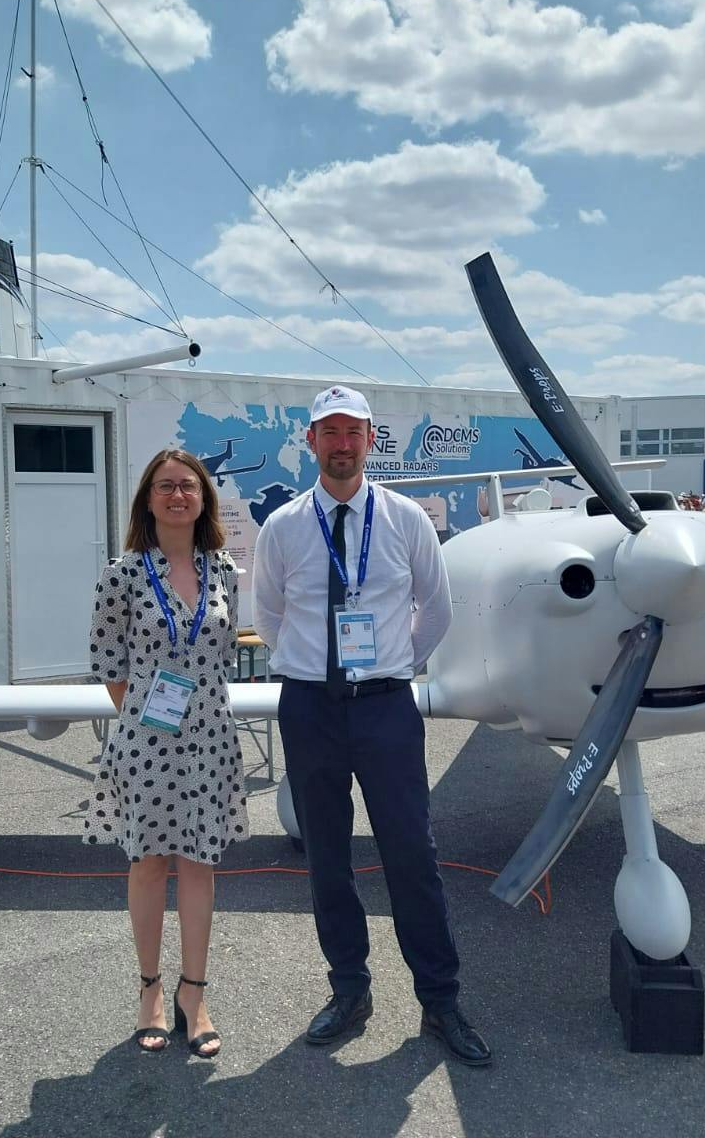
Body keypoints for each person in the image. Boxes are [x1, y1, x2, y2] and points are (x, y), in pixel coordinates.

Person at [253, 385, 490, 1067]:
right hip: (310, 708)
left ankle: (440, 999)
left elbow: (435, 610)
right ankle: (350, 989)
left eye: (353, 432)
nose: (342, 444)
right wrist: (318, 671)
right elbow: (270, 616)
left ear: (369, 439)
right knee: (327, 858)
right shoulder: (285, 527)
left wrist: (389, 666)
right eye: (329, 432)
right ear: (311, 443)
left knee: (411, 855)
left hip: (386, 707)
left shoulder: (407, 518)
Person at [87, 448, 247, 1057]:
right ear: (147, 500)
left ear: (203, 497)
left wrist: (185, 709)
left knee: (200, 865)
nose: (177, 495)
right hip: (146, 743)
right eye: (164, 487)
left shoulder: (225, 570)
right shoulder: (122, 574)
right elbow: (108, 665)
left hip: (209, 739)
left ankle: (194, 992)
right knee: (150, 862)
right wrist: (154, 715)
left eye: (187, 486)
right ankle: (151, 988)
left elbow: (223, 651)